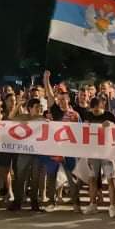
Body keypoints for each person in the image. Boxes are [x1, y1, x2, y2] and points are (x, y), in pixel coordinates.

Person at [43, 71, 82, 212]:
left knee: (72, 178)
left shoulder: (75, 115)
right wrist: (46, 79)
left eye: (64, 99)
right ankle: (51, 202)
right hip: (55, 149)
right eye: (59, 99)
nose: (62, 101)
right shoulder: (54, 111)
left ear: (68, 100)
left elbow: (81, 133)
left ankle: (76, 204)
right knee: (51, 175)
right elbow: (49, 94)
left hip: (69, 151)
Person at [82, 96, 115, 217]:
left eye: (97, 110)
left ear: (101, 106)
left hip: (107, 153)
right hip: (93, 153)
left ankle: (112, 206)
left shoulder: (110, 115)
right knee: (92, 179)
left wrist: (111, 124)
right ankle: (92, 204)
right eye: (93, 110)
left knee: (110, 179)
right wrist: (84, 126)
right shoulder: (88, 115)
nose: (94, 112)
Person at [8, 98, 46, 212]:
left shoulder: (43, 119)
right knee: (20, 178)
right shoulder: (24, 117)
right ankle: (17, 202)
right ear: (30, 108)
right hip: (24, 151)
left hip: (37, 153)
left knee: (35, 178)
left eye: (40, 107)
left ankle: (34, 203)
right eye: (36, 107)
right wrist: (18, 104)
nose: (39, 109)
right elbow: (10, 117)